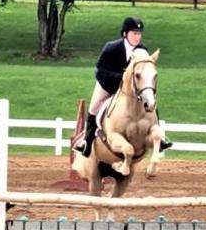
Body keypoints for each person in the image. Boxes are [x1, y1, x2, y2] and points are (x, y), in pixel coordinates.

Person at [74, 17, 173, 157]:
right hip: (107, 84)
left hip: (130, 89)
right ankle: (86, 142)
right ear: (125, 34)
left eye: (139, 33)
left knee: (151, 101)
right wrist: (119, 78)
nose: (137, 37)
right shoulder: (112, 47)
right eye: (134, 33)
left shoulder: (142, 50)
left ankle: (161, 140)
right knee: (94, 107)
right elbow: (100, 68)